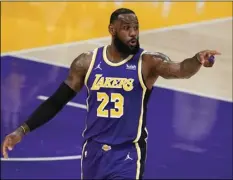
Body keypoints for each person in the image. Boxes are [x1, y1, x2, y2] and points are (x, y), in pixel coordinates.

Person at [1, 8, 220, 179]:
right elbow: (57, 101)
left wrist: (196, 60)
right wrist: (22, 130)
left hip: (127, 153)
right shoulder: (86, 62)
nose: (133, 33)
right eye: (126, 28)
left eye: (136, 27)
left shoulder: (148, 63)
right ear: (112, 30)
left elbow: (181, 70)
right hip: (93, 151)